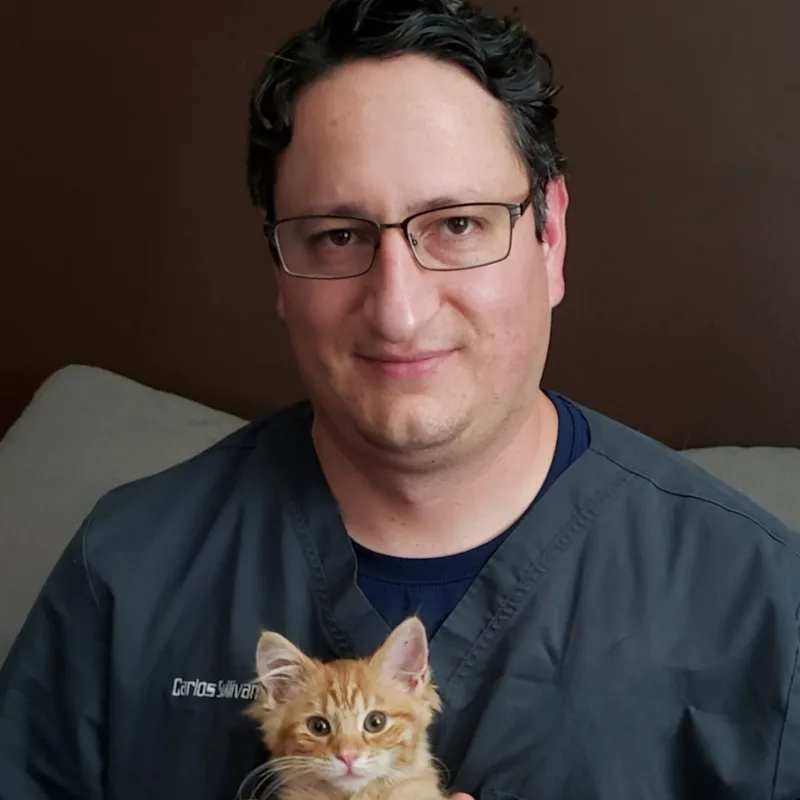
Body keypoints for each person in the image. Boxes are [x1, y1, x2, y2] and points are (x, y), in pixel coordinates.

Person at [2, 0, 800, 797]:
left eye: (457, 224)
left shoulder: (763, 603)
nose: (399, 309)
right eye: (338, 235)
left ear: (549, 237)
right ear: (279, 268)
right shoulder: (125, 567)